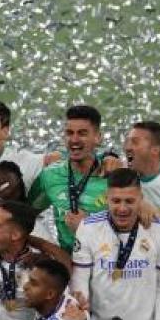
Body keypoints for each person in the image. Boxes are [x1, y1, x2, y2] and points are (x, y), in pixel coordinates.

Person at [71, 168, 160, 320]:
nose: (122, 208)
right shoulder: (88, 228)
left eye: (129, 201)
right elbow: (79, 285)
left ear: (141, 198)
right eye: (116, 201)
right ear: (106, 199)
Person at [29, 105, 112, 251]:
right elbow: (25, 214)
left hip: (107, 261)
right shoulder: (50, 176)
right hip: (69, 264)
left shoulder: (113, 175)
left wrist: (88, 225)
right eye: (69, 133)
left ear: (98, 137)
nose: (74, 139)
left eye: (82, 133)